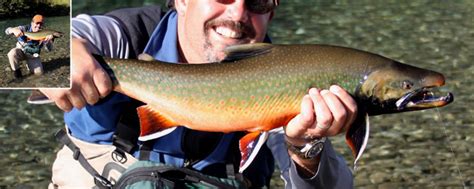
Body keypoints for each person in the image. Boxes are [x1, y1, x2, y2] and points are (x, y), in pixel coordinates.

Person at [41, 1, 357, 188]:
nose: (238, 12)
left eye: (258, 2)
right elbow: (16, 39)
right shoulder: (125, 34)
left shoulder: (282, 77)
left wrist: (306, 148)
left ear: (270, 15)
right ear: (180, 0)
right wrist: (59, 57)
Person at [5, 14, 54, 79]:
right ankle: (17, 74)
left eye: (41, 24)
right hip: (21, 52)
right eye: (37, 23)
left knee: (39, 74)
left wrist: (49, 41)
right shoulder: (24, 28)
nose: (38, 25)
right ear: (32, 23)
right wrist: (13, 30)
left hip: (33, 55)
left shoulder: (45, 33)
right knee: (12, 53)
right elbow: (7, 31)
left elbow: (49, 50)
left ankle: (29, 65)